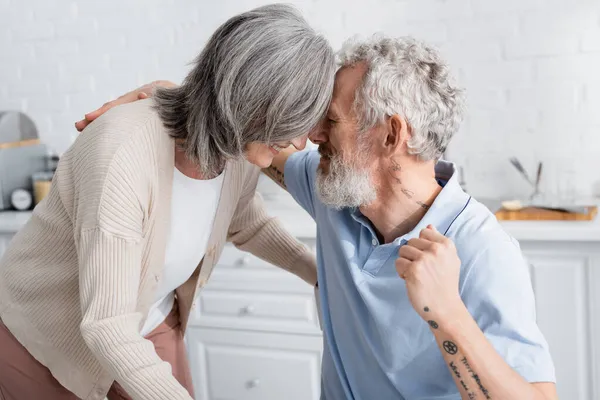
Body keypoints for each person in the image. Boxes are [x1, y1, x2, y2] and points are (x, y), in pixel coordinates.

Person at [77, 36, 558, 400]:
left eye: (331, 120)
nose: (311, 134)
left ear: (391, 135)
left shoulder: (481, 250)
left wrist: (448, 315)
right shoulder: (340, 191)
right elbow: (248, 124)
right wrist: (174, 98)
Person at [0, 5, 336, 400]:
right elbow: (107, 325)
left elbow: (247, 221)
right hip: (48, 334)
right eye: (293, 124)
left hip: (149, 317)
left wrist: (319, 275)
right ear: (250, 104)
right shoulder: (122, 154)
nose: (299, 144)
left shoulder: (236, 150)